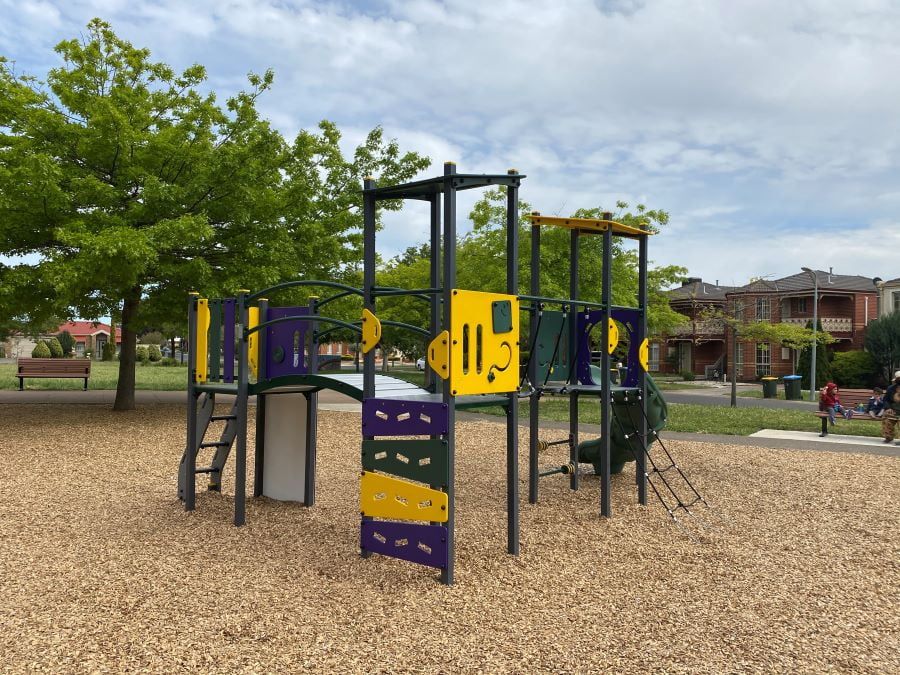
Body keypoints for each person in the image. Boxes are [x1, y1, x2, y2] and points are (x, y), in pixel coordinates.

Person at [882, 372, 900, 443]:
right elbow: (886, 400)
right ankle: (888, 437)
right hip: (893, 410)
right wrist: (888, 408)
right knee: (886, 417)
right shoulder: (890, 388)